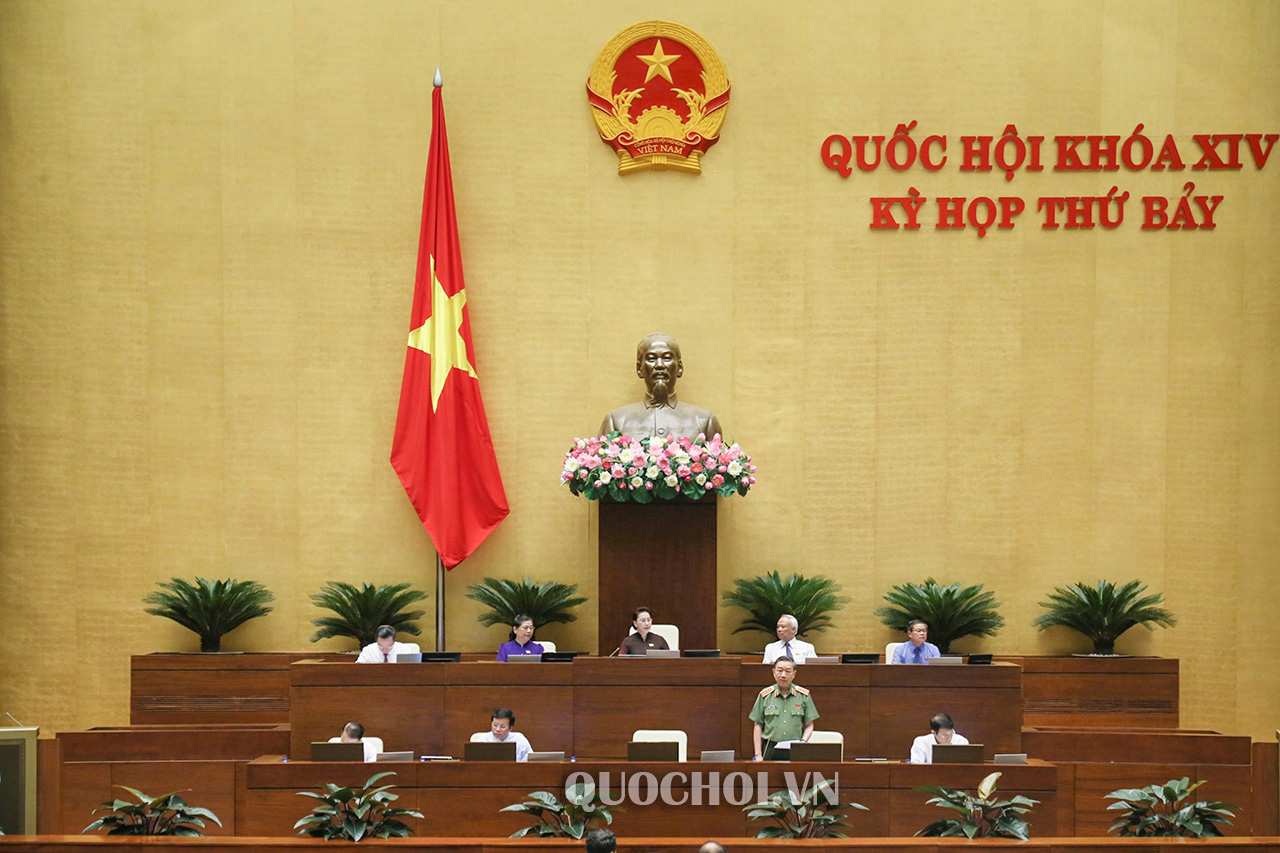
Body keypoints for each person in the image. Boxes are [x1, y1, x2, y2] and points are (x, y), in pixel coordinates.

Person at [599, 333, 723, 441]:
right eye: (651, 359)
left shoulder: (704, 421)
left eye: (667, 358)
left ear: (679, 368)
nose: (659, 365)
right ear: (639, 369)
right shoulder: (617, 421)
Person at [749, 656, 818, 761]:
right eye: (780, 671)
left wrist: (803, 743)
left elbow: (809, 725)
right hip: (770, 748)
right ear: (773, 672)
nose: (783, 675)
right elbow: (758, 725)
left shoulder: (803, 695)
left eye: (788, 671)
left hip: (795, 748)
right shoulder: (765, 695)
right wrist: (758, 754)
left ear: (794, 674)